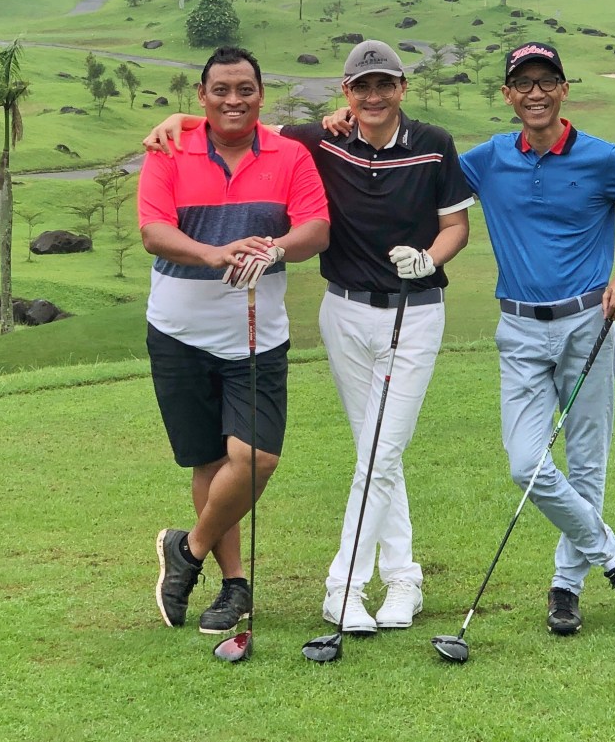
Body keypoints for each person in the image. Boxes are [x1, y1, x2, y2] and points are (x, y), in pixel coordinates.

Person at [143, 39, 472, 634]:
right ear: (346, 92)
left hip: (401, 314)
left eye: (385, 84)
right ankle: (396, 578)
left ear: (402, 87)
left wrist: (430, 258)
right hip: (326, 315)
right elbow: (230, 127)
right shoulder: (314, 140)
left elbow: (444, 225)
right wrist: (183, 120)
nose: (374, 96)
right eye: (362, 86)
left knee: (370, 452)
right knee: (368, 453)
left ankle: (342, 587)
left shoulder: (424, 144)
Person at [458, 40, 615, 636]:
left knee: (585, 462)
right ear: (507, 95)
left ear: (563, 89)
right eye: (523, 83)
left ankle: (566, 587)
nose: (535, 93)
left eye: (545, 82)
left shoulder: (602, 158)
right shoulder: (486, 159)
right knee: (526, 463)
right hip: (518, 328)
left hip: (588, 323)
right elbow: (419, 172)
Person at [138, 45, 329, 637]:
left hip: (257, 336)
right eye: (220, 89)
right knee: (210, 460)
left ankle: (187, 550)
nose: (233, 100)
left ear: (261, 95)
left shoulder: (290, 155)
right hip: (178, 333)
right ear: (202, 96)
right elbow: (154, 231)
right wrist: (213, 254)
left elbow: (316, 228)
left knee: (256, 458)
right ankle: (233, 585)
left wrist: (276, 248)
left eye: (245, 89)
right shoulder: (170, 150)